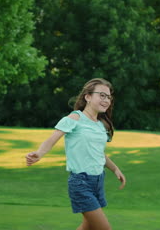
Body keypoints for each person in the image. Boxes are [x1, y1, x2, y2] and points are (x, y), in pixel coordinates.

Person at [26, 78, 126, 230]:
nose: (106, 100)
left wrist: (115, 169)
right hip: (81, 182)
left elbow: (99, 154)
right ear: (88, 97)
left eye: (109, 97)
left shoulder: (100, 125)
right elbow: (52, 139)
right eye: (102, 95)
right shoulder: (75, 118)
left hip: (98, 182)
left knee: (88, 227)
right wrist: (39, 153)